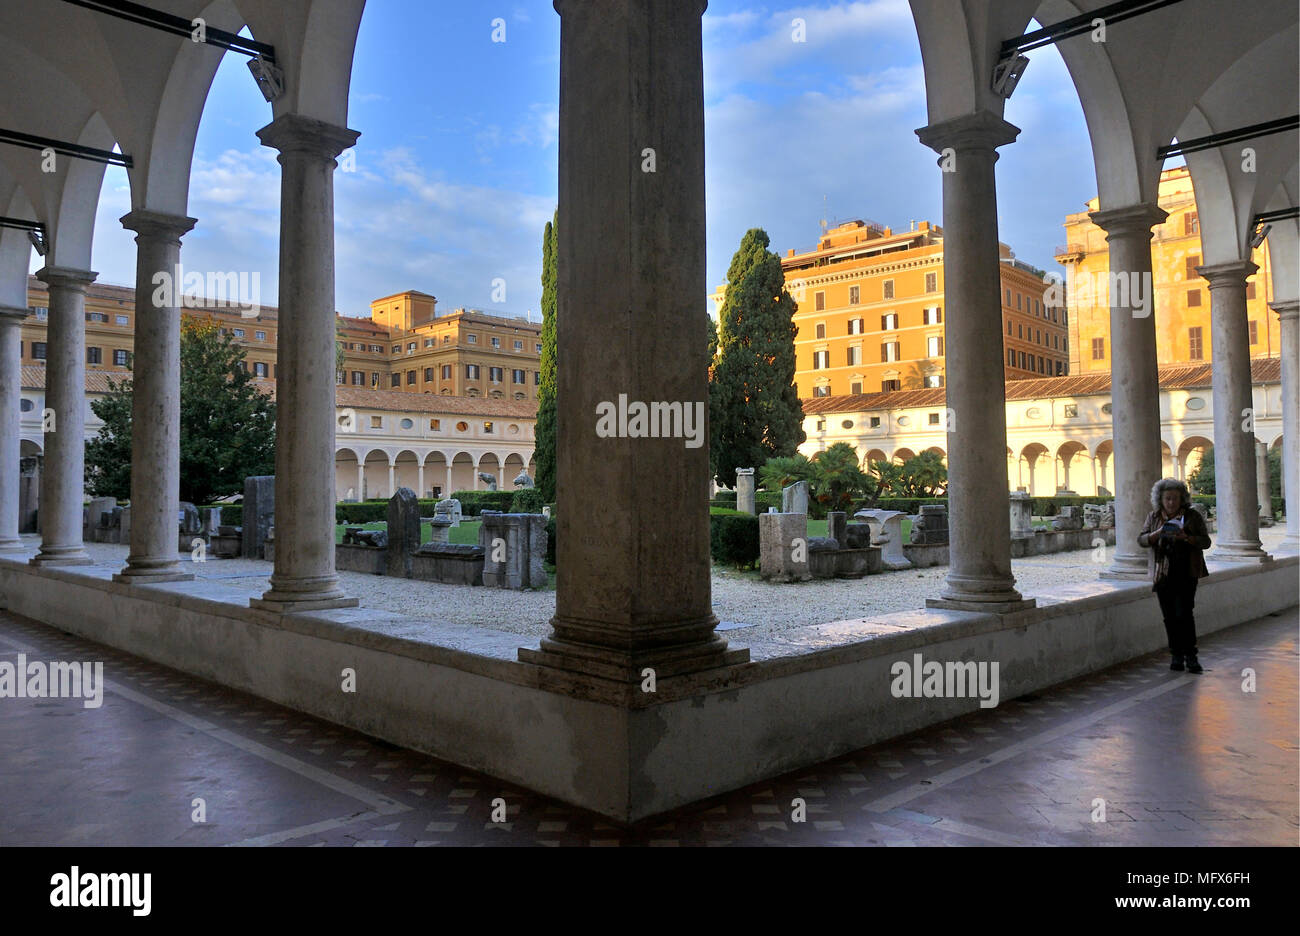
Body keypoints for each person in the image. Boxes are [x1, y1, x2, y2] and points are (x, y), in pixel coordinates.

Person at [1137, 478, 1212, 673]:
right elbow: (1142, 540)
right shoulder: (1153, 517)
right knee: (1169, 617)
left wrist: (1186, 537)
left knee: (1184, 614)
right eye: (1167, 498)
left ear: (1182, 499)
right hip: (1163, 574)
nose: (1171, 502)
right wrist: (1159, 533)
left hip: (1186, 572)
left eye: (1175, 498)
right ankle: (1176, 655)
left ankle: (1191, 656)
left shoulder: (1192, 516)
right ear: (1160, 500)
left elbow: (1206, 542)